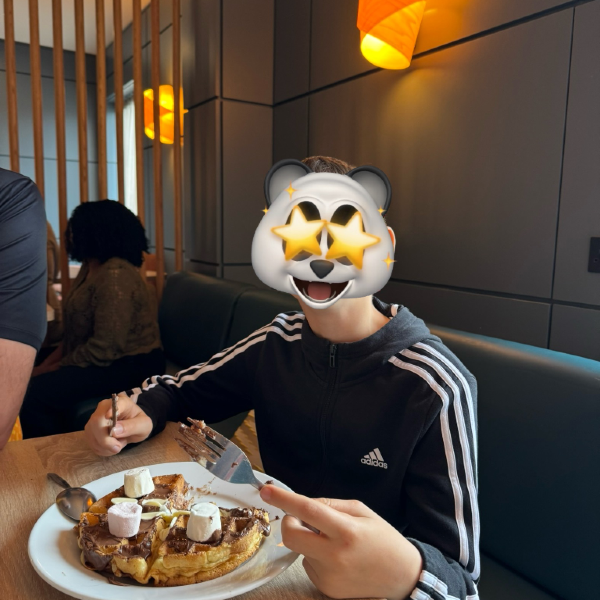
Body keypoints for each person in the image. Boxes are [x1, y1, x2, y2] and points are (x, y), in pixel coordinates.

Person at [84, 158, 479, 600]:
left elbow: (461, 583)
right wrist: (136, 410)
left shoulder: (435, 386)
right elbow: (180, 391)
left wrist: (405, 575)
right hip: (266, 566)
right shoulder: (276, 341)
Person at [20, 200, 165, 439]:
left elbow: (106, 348)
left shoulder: (115, 274)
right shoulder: (90, 266)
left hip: (129, 364)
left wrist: (50, 369)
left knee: (33, 394)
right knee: (26, 365)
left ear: (96, 232)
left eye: (75, 230)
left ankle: (51, 451)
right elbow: (74, 336)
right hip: (100, 355)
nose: (70, 236)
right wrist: (45, 366)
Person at [0, 168, 47, 449]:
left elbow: (103, 345)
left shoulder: (12, 197)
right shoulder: (88, 272)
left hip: (111, 361)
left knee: (38, 393)